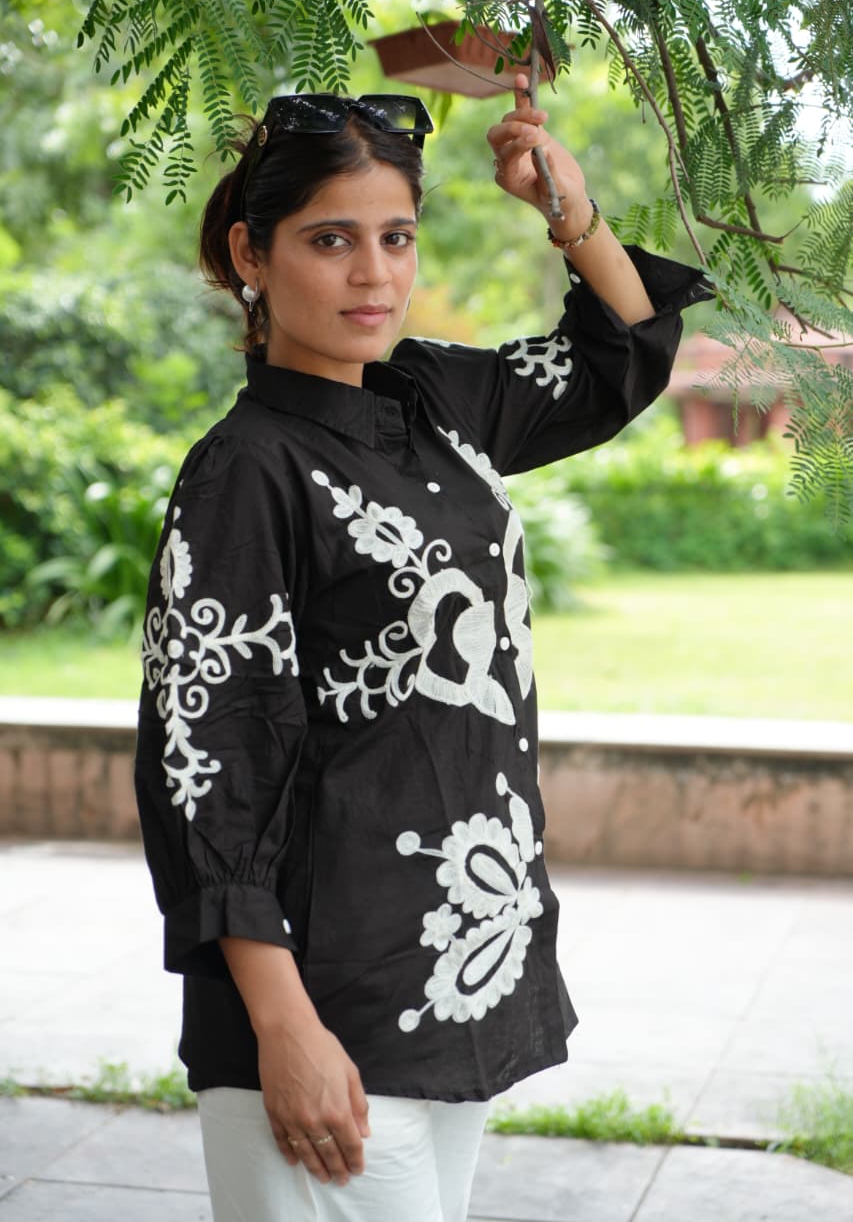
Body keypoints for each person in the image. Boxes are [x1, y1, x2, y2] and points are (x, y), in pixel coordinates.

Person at [134, 74, 709, 1222]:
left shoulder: (431, 399)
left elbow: (621, 353)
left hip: (453, 967)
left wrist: (566, 208)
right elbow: (209, 763)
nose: (374, 273)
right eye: (330, 239)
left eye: (395, 236)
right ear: (251, 255)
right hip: (322, 1000)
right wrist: (283, 1026)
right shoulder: (247, 470)